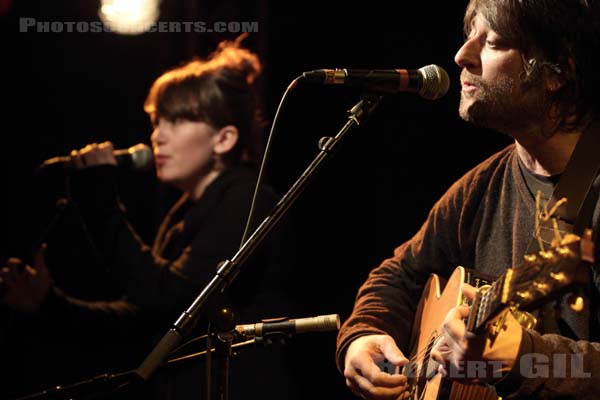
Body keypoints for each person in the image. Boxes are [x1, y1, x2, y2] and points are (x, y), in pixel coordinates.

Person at [1, 36, 298, 400]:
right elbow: (141, 314)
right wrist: (48, 303)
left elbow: (170, 297)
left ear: (224, 138)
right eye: (157, 121)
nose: (158, 135)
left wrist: (99, 202)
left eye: (177, 120)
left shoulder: (247, 199)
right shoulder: (187, 210)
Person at [336, 0, 600, 399]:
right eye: (468, 36)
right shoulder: (481, 187)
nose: (461, 55)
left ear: (556, 73)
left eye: (492, 42)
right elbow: (399, 275)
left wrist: (528, 357)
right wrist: (362, 336)